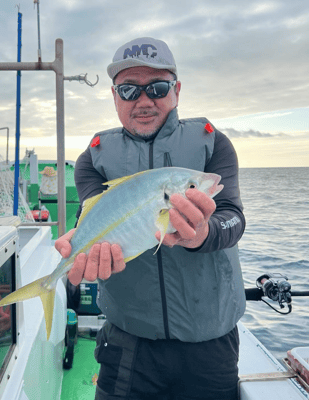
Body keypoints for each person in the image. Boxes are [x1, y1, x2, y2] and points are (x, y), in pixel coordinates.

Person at [56, 37, 246, 399]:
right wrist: (83, 247)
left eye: (157, 88)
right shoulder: (93, 159)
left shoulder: (212, 143)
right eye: (129, 90)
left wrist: (202, 234)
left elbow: (233, 218)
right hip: (127, 340)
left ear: (177, 91)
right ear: (114, 97)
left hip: (210, 343)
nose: (143, 101)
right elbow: (93, 216)